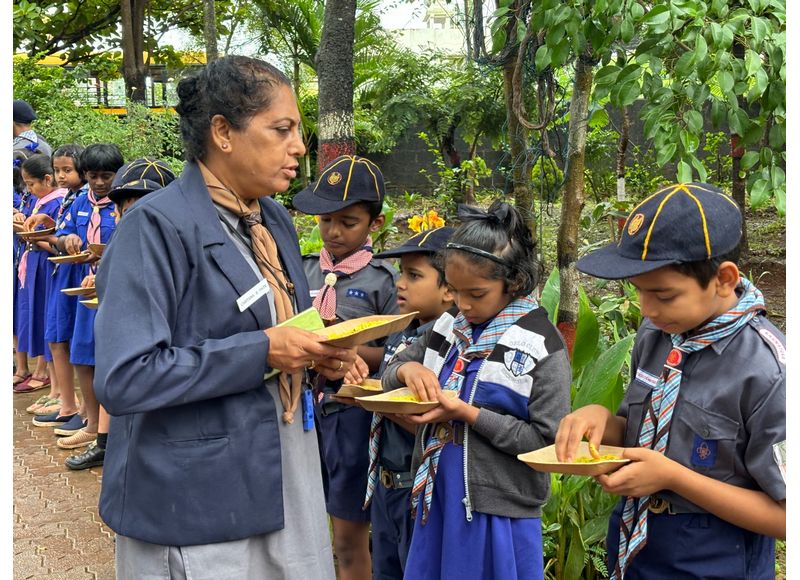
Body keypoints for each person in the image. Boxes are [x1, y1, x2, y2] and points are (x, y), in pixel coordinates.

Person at [93, 55, 355, 579]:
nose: (299, 147)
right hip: (198, 495)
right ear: (223, 132)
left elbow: (285, 325)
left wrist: (322, 353)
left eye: (297, 131)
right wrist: (263, 351)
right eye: (282, 129)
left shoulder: (270, 218)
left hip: (283, 464)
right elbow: (125, 377)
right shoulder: (155, 227)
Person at [555, 182, 786, 579]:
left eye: (663, 296)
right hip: (637, 548)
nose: (647, 310)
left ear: (724, 279)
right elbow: (638, 430)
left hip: (714, 558)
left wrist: (672, 477)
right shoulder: (658, 335)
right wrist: (601, 421)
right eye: (639, 292)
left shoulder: (769, 372)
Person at [382, 201, 572, 579]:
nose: (464, 304)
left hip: (497, 512)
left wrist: (468, 415)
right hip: (438, 499)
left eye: (477, 293)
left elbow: (546, 442)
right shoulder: (449, 327)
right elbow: (388, 372)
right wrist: (408, 369)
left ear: (514, 282)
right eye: (454, 291)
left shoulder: (540, 346)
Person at [293, 154, 398, 580]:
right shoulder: (299, 271)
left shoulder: (385, 281)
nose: (334, 232)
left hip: (352, 421)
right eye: (325, 220)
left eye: (348, 222)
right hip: (300, 414)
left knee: (348, 537)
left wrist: (349, 349)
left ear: (376, 222)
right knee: (303, 529)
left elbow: (397, 353)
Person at [345, 225, 455, 580]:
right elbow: (385, 366)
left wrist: (376, 400)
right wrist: (358, 374)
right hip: (386, 482)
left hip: (417, 486)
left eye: (414, 275)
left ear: (450, 290)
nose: (400, 283)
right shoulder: (402, 328)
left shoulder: (447, 341)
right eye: (400, 273)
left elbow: (435, 419)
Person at [65, 157, 176, 471]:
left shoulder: (181, 245)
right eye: (127, 209)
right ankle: (105, 442)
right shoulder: (125, 239)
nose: (136, 216)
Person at [40, 143, 124, 447]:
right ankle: (90, 421)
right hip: (82, 285)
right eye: (93, 176)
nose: (100, 183)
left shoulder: (123, 205)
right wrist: (68, 239)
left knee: (107, 355)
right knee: (82, 353)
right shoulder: (78, 203)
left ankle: (110, 425)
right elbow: (60, 237)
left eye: (106, 176)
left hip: (113, 285)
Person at [24, 144, 87, 418]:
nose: (61, 176)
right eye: (57, 170)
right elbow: (63, 230)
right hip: (60, 273)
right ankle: (66, 402)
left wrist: (46, 238)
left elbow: (70, 241)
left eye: (67, 170)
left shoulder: (86, 198)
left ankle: (80, 407)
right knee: (56, 338)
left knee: (74, 340)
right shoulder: (70, 198)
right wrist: (49, 222)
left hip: (78, 274)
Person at [16, 154, 64, 398]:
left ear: (47, 179)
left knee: (48, 320)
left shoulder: (57, 203)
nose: (28, 189)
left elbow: (58, 242)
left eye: (31, 183)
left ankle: (48, 380)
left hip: (46, 265)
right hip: (34, 263)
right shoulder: (40, 202)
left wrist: (36, 238)